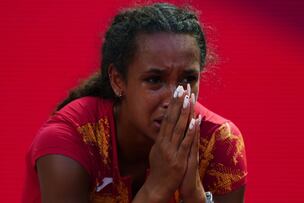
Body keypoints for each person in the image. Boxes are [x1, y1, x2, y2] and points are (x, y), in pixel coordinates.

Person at [22, 2, 247, 203]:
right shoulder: (69, 140)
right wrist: (157, 187)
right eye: (154, 80)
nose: (174, 98)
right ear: (118, 81)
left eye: (188, 79)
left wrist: (193, 194)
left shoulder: (219, 142)